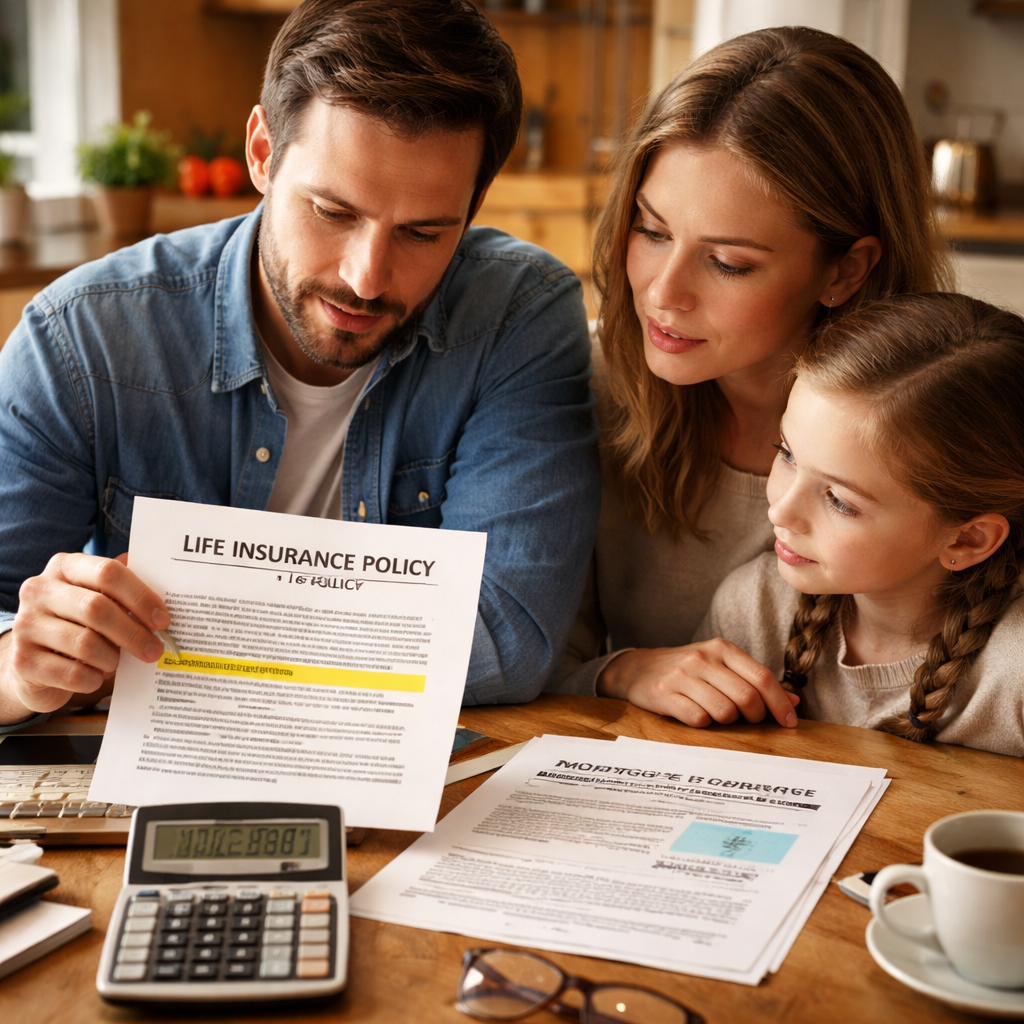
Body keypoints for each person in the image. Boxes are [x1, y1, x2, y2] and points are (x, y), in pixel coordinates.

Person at [0, 0, 600, 729]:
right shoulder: (84, 338)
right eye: (332, 211)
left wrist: (151, 656)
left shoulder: (519, 314)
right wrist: (20, 672)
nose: (367, 278)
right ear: (261, 152)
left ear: (472, 212)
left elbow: (509, 638)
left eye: (423, 233)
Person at [553, 26, 952, 730]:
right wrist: (621, 670)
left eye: (729, 263)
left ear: (844, 270)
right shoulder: (588, 387)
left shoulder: (950, 433)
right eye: (651, 231)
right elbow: (541, 664)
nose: (662, 293)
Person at [693, 293, 1024, 758]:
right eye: (786, 454)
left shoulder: (1015, 673)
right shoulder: (752, 608)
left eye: (840, 501)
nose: (780, 512)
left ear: (968, 538)